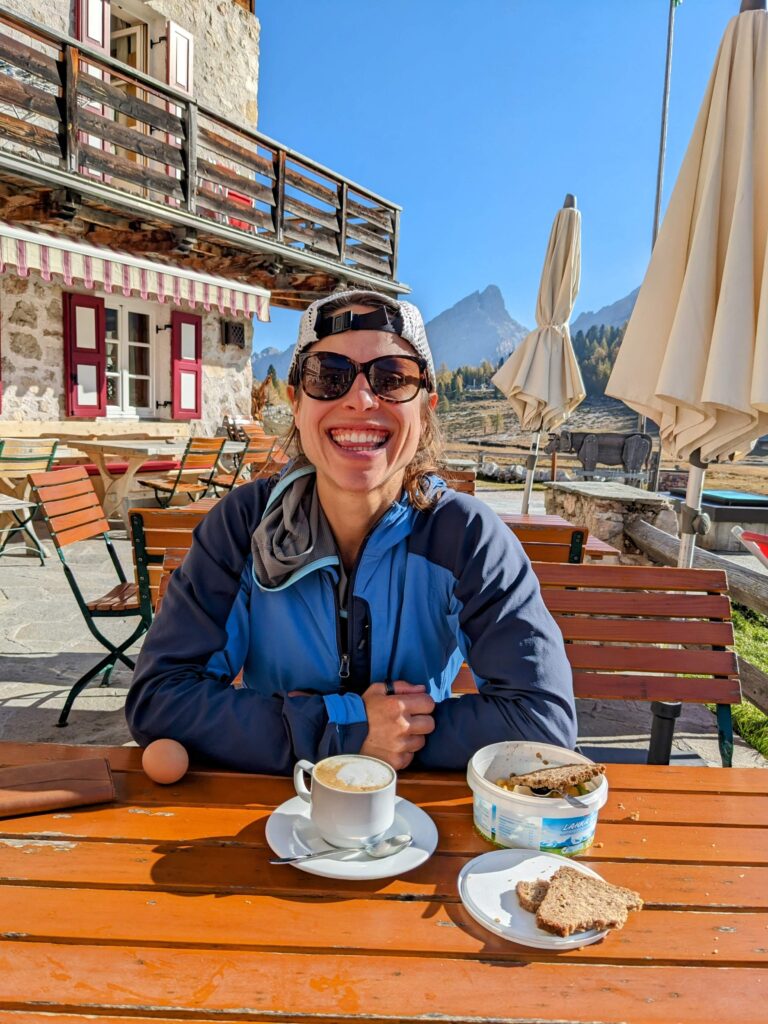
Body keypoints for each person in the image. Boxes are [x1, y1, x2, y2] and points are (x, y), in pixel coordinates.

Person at [126, 290, 576, 773]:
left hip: (411, 823)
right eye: (328, 377)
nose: (361, 400)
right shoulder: (244, 525)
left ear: (425, 412)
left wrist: (388, 736)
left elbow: (542, 722)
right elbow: (160, 697)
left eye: (393, 378)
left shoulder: (465, 536)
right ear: (296, 404)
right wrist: (348, 729)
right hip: (268, 815)